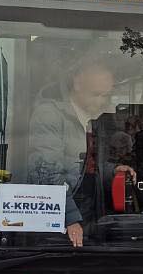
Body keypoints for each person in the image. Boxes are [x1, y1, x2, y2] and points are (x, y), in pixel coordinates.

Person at [26, 60, 136, 247]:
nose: (101, 101)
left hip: (90, 215)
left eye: (106, 96)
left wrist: (114, 170)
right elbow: (46, 173)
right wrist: (69, 218)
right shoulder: (49, 116)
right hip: (59, 222)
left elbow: (86, 167)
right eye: (95, 94)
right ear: (77, 83)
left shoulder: (94, 120)